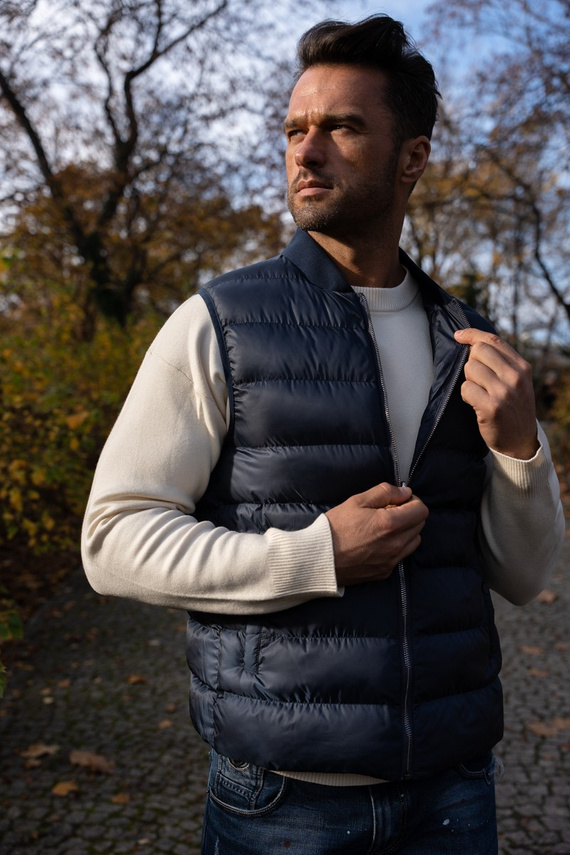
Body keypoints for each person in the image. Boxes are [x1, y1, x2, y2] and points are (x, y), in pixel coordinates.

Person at [81, 14, 565, 855]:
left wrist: (522, 449)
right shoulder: (219, 323)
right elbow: (112, 539)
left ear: (411, 156)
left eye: (341, 127)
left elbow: (521, 578)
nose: (306, 151)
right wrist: (315, 554)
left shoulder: (474, 342)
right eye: (295, 129)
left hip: (455, 791)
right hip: (282, 801)